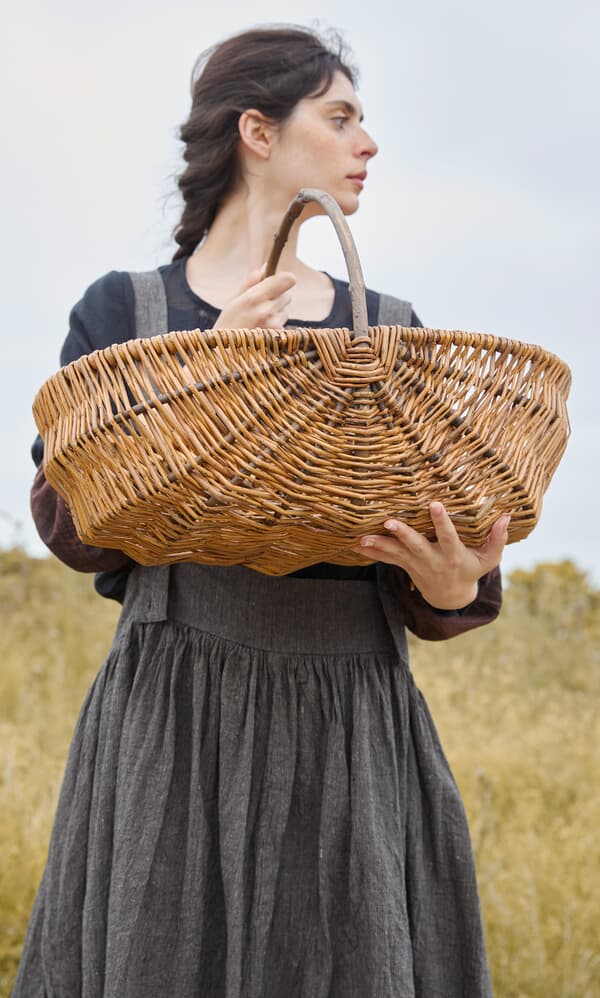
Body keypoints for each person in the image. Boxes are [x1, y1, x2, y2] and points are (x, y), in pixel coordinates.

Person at [13, 24, 508, 998]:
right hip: (175, 709)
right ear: (257, 131)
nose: (368, 142)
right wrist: (203, 378)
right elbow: (71, 523)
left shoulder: (389, 329)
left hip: (348, 718)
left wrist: (458, 584)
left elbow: (434, 557)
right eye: (341, 117)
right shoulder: (127, 315)